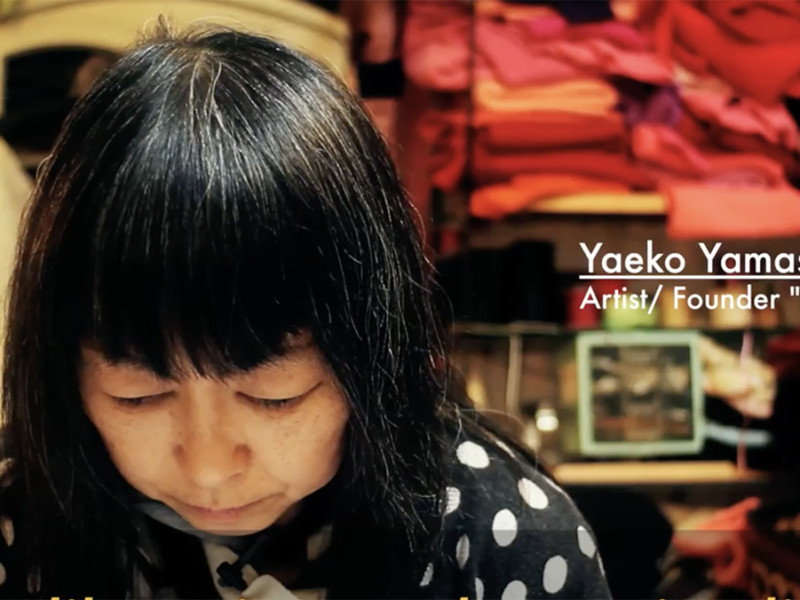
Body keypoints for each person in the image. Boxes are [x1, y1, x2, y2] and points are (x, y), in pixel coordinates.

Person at [0, 21, 612, 600]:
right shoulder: (17, 533)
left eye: (276, 395)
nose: (211, 468)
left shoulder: (507, 540)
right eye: (135, 395)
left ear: (374, 359)